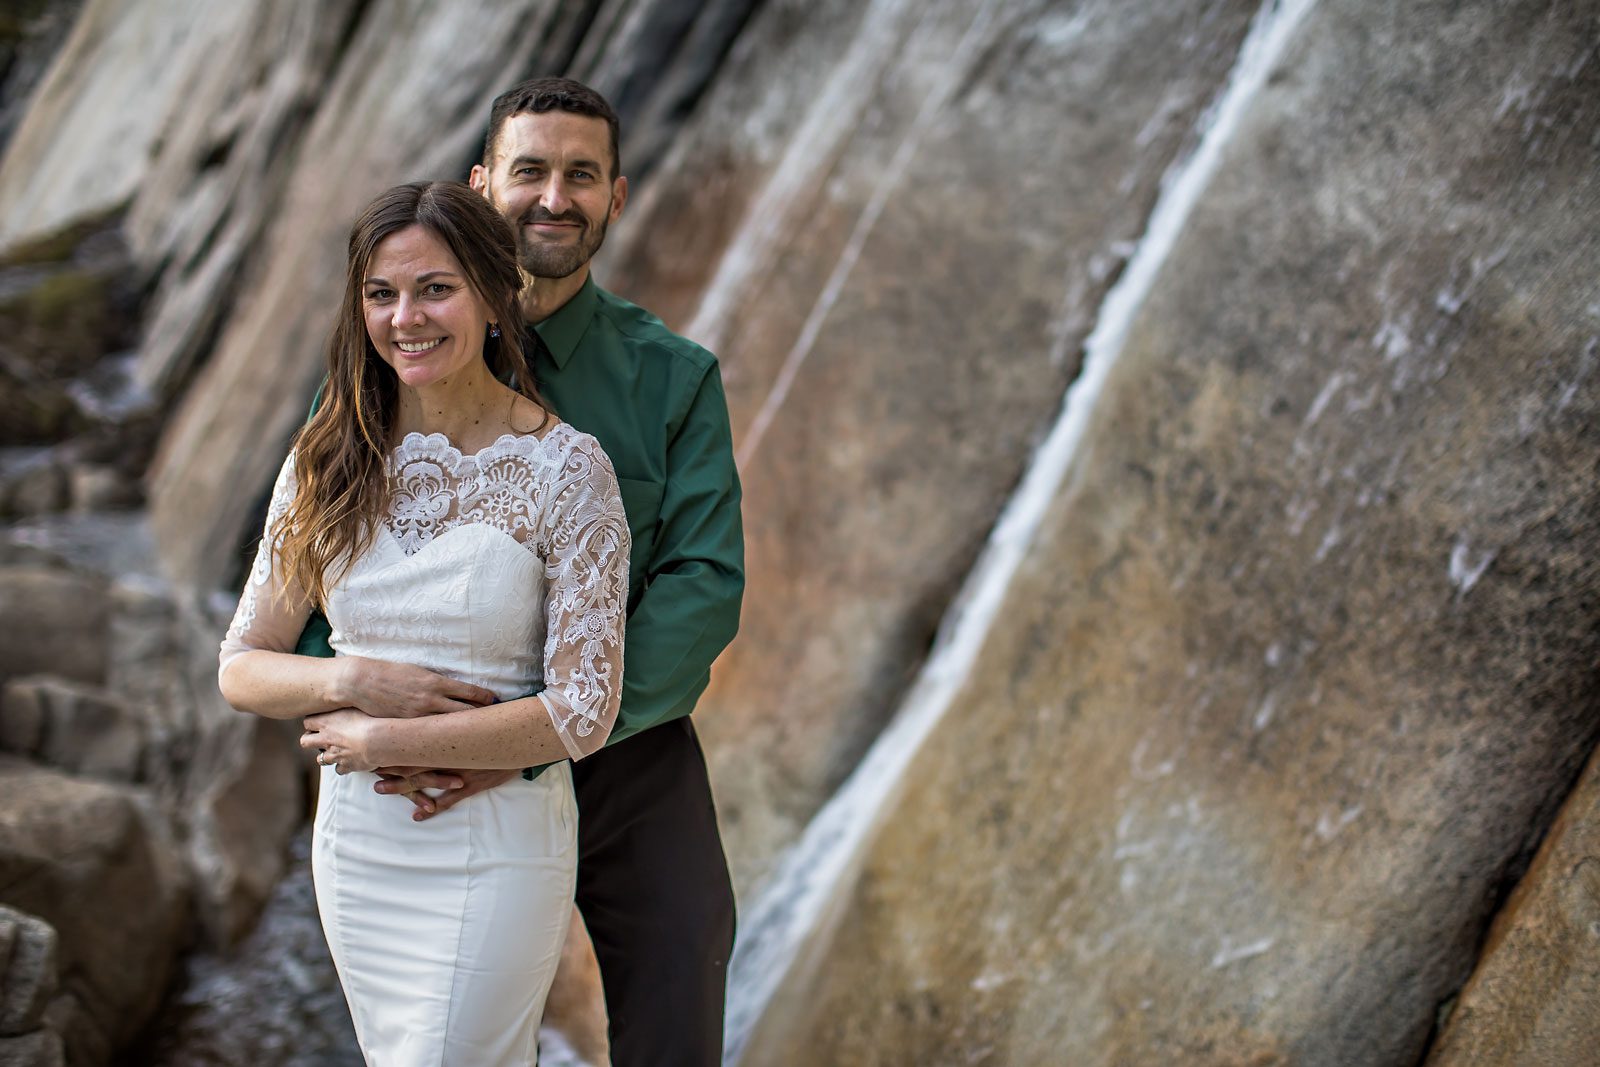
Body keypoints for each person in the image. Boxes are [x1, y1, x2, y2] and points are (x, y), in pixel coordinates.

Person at [294, 77, 745, 1064]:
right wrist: (366, 701)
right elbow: (323, 561)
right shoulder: (391, 362)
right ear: (480, 186)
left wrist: (536, 736)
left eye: (580, 176)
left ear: (615, 197)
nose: (553, 197)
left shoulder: (673, 376)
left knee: (682, 974)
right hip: (424, 756)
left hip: (627, 753)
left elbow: (703, 584)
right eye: (529, 170)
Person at [218, 180, 632, 1065]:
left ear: (493, 296)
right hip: (359, 845)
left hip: (498, 841)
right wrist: (353, 681)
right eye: (382, 294)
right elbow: (244, 663)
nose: (406, 318)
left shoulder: (569, 471)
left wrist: (386, 740)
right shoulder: (327, 460)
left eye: (435, 288)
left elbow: (583, 710)